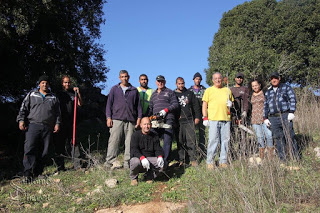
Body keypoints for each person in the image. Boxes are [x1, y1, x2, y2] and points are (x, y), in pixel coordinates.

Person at [17, 75, 61, 180]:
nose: (44, 84)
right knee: (29, 148)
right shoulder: (32, 94)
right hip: (33, 125)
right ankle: (27, 173)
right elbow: (23, 108)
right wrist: (21, 120)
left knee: (44, 151)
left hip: (47, 127)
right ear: (39, 84)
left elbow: (58, 113)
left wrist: (57, 123)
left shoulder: (53, 97)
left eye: (46, 83)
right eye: (42, 83)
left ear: (49, 85)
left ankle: (38, 172)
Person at [105, 70, 142, 169]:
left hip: (131, 120)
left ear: (128, 77)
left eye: (126, 76)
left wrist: (139, 119)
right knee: (114, 141)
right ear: (119, 78)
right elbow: (109, 105)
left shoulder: (134, 90)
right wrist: (108, 117)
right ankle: (109, 162)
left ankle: (127, 163)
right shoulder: (114, 89)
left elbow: (138, 107)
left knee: (130, 142)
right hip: (117, 119)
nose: (124, 78)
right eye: (122, 76)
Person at [263, 72, 299, 161]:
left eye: (275, 78)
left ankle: (296, 158)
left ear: (279, 78)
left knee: (290, 136)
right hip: (273, 118)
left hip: (285, 115)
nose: (273, 80)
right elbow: (265, 105)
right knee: (278, 138)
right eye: (272, 79)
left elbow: (292, 99)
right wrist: (265, 117)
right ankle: (283, 159)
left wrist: (291, 112)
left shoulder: (286, 88)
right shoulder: (268, 91)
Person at [202, 72, 234, 169]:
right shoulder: (208, 90)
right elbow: (204, 105)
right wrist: (205, 117)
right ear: (212, 80)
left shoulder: (227, 90)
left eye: (219, 78)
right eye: (215, 78)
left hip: (226, 119)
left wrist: (230, 104)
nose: (217, 80)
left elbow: (231, 102)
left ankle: (223, 161)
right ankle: (210, 162)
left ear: (222, 79)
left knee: (225, 141)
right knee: (213, 140)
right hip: (213, 119)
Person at [54, 75, 83, 171]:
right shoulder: (58, 94)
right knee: (60, 144)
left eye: (69, 82)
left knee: (74, 143)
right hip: (61, 122)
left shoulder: (73, 93)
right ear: (62, 83)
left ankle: (77, 165)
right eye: (65, 82)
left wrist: (78, 93)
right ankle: (60, 167)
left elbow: (80, 104)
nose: (67, 84)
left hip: (72, 122)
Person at [148, 75, 179, 164]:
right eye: (158, 81)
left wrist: (166, 110)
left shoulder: (169, 92)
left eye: (162, 81)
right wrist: (147, 117)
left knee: (167, 138)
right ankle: (155, 158)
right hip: (155, 120)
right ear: (156, 82)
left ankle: (165, 160)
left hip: (168, 118)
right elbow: (150, 108)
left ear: (164, 82)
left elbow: (175, 104)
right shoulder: (153, 94)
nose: (160, 83)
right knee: (153, 138)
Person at [129, 117, 164, 186]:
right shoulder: (135, 135)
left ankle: (149, 176)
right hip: (139, 159)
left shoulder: (154, 135)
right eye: (144, 124)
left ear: (151, 125)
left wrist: (160, 156)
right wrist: (142, 158)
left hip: (150, 160)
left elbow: (158, 149)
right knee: (135, 162)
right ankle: (134, 178)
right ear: (141, 125)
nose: (146, 126)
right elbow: (134, 149)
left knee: (163, 164)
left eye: (148, 124)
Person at [175, 77, 201, 166]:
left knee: (191, 140)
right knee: (180, 141)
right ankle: (182, 160)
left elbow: (196, 106)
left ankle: (193, 159)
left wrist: (197, 117)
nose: (181, 85)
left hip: (189, 120)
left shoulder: (190, 93)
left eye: (182, 83)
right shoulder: (173, 94)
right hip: (178, 122)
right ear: (176, 84)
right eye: (179, 84)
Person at [249, 78, 273, 159]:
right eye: (253, 86)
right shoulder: (250, 95)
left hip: (265, 119)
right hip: (255, 120)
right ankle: (261, 156)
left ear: (259, 85)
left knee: (269, 136)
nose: (255, 87)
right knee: (260, 138)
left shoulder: (265, 93)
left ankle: (271, 156)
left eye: (256, 85)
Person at [230, 72, 250, 158]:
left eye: (241, 78)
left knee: (243, 134)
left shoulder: (245, 89)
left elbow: (246, 101)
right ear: (235, 79)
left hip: (242, 114)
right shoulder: (230, 89)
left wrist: (245, 111)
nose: (239, 79)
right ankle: (231, 153)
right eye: (238, 78)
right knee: (231, 134)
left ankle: (243, 152)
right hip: (232, 114)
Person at [189, 72, 206, 157]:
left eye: (199, 79)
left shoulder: (205, 90)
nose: (198, 80)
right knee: (192, 134)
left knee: (202, 133)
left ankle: (202, 151)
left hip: (202, 115)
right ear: (193, 80)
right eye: (196, 79)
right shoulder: (189, 90)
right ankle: (193, 152)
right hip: (192, 115)